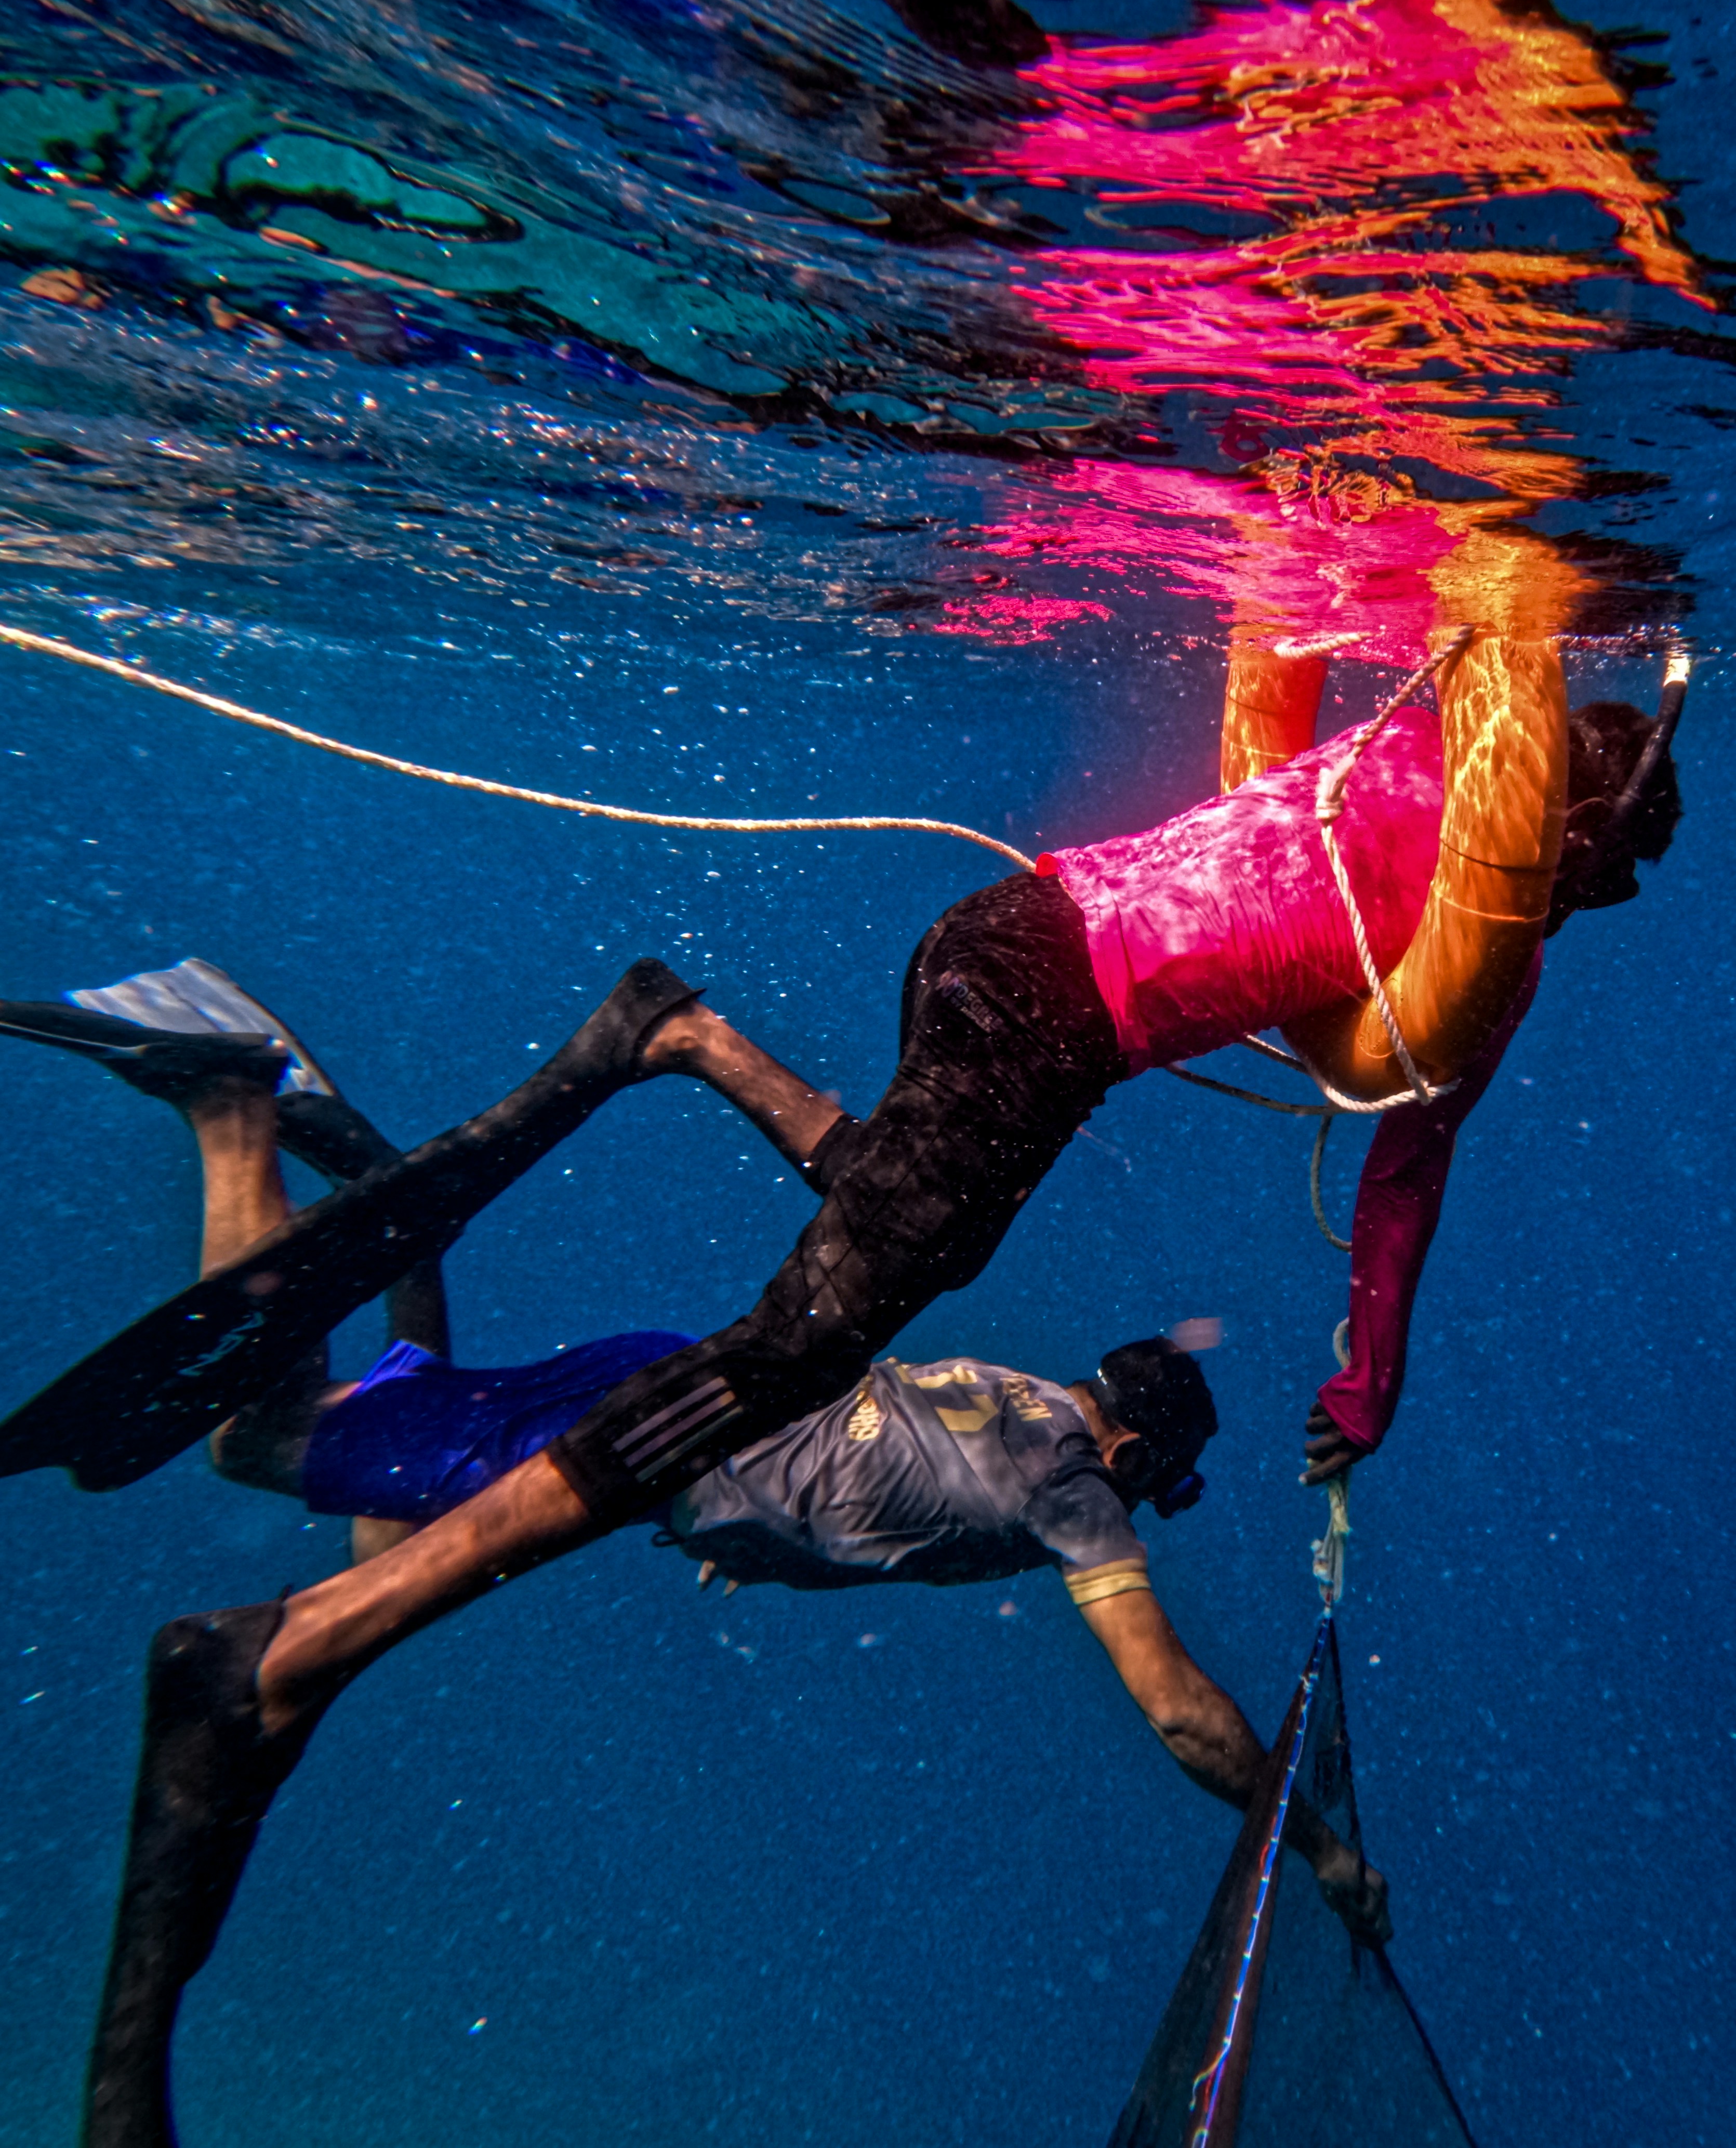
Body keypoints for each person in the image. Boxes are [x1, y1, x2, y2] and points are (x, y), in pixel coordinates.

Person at [0, 689, 1675, 2145]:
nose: (1591, 897)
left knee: (867, 1259)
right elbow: (1400, 1191)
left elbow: (1266, 733)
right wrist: (1363, 1396)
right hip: (1050, 1028)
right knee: (783, 1347)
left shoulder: (1409, 753)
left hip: (1001, 933)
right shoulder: (1489, 937)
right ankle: (286, 1657)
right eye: (1608, 869)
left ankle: (685, 1045)